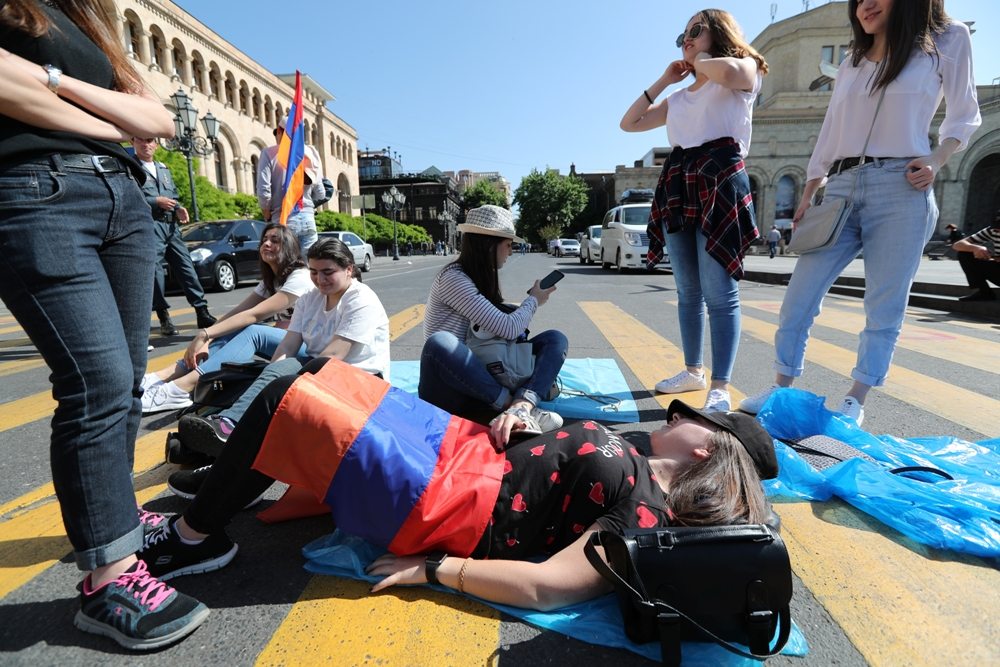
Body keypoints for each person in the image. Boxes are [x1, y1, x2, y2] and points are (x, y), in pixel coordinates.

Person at [138, 355, 777, 611]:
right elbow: (555, 442)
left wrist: (435, 570)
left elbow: (550, 588)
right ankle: (223, 472)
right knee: (316, 372)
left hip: (453, 499)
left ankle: (196, 534)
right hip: (461, 447)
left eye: (686, 417)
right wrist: (522, 416)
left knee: (289, 399)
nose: (670, 416)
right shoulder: (637, 451)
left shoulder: (644, 513)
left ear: (704, 445)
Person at [0, 0, 208, 649]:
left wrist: (53, 86)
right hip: (36, 193)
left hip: (123, 199)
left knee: (129, 383)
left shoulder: (83, 17)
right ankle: (107, 577)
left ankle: (114, 523)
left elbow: (153, 119)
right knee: (95, 379)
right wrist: (105, 117)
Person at [740, 0, 981, 425]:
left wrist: (937, 159)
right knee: (799, 297)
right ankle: (781, 386)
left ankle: (857, 397)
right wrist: (811, 186)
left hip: (902, 185)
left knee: (884, 304)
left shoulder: (947, 39)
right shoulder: (853, 58)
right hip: (843, 185)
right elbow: (833, 126)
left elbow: (964, 114)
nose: (865, 4)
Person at [620, 9, 768, 413]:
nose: (685, 40)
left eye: (695, 31)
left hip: (719, 177)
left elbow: (735, 71)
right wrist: (666, 80)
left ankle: (720, 384)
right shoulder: (679, 98)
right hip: (681, 181)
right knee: (687, 290)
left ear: (718, 33)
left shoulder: (744, 71)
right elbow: (629, 123)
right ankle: (693, 371)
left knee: (720, 292)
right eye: (681, 36)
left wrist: (700, 59)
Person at [177, 237, 390, 457]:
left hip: (358, 380)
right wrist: (271, 375)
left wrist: (281, 382)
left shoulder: (361, 299)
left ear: (349, 269)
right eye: (314, 272)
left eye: (328, 272)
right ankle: (205, 438)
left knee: (279, 388)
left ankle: (227, 427)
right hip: (319, 368)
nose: (320, 279)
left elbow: (334, 355)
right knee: (264, 377)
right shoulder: (310, 298)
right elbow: (289, 344)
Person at [419, 205, 568, 442]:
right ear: (489, 245)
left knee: (555, 339)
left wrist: (518, 307)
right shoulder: (453, 278)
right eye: (508, 245)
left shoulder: (479, 277)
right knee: (441, 343)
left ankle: (522, 404)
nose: (510, 252)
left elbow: (502, 327)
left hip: (483, 380)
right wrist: (534, 300)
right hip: (450, 387)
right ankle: (516, 407)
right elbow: (508, 328)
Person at [139, 222, 311, 413]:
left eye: (275, 240)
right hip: (291, 345)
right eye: (264, 240)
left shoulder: (300, 277)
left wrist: (204, 335)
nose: (266, 244)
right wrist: (209, 337)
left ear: (289, 247)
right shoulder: (272, 280)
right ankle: (161, 377)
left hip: (315, 352)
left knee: (253, 331)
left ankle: (180, 388)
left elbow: (253, 315)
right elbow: (237, 313)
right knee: (232, 327)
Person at [131, 135, 215, 336]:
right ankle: (163, 316)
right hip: (150, 226)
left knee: (186, 268)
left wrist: (178, 207)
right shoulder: (131, 168)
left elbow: (173, 194)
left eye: (150, 140)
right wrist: (155, 201)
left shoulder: (163, 169)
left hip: (171, 227)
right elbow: (130, 196)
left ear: (156, 145)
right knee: (155, 273)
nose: (146, 144)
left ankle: (201, 311)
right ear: (133, 142)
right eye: (141, 140)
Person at [256, 115, 325, 253]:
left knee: (287, 269)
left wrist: (267, 213)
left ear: (281, 132)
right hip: (307, 218)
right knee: (310, 268)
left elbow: (264, 191)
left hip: (282, 218)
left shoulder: (269, 153)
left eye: (277, 132)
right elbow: (321, 193)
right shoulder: (311, 153)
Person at [951, 209, 999, 302]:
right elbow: (957, 245)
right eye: (997, 228)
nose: (998, 231)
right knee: (964, 253)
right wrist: (975, 248)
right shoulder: (992, 230)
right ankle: (984, 292)